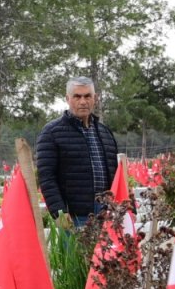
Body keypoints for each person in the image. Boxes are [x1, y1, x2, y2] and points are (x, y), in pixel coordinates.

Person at [35, 77, 118, 228]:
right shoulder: (51, 132)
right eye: (77, 96)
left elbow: (116, 174)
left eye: (87, 96)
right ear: (67, 98)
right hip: (74, 216)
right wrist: (59, 212)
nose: (83, 101)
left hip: (107, 215)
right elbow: (46, 177)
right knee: (75, 253)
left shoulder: (105, 133)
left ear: (95, 98)